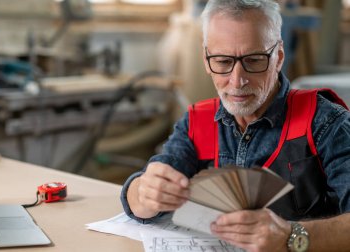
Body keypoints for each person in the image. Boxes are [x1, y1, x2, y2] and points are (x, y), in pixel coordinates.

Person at [120, 0, 350, 251]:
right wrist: (144, 192)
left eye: (253, 60)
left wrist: (291, 236)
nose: (237, 80)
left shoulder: (326, 123)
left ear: (278, 57)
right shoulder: (198, 121)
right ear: (207, 60)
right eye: (222, 61)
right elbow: (143, 194)